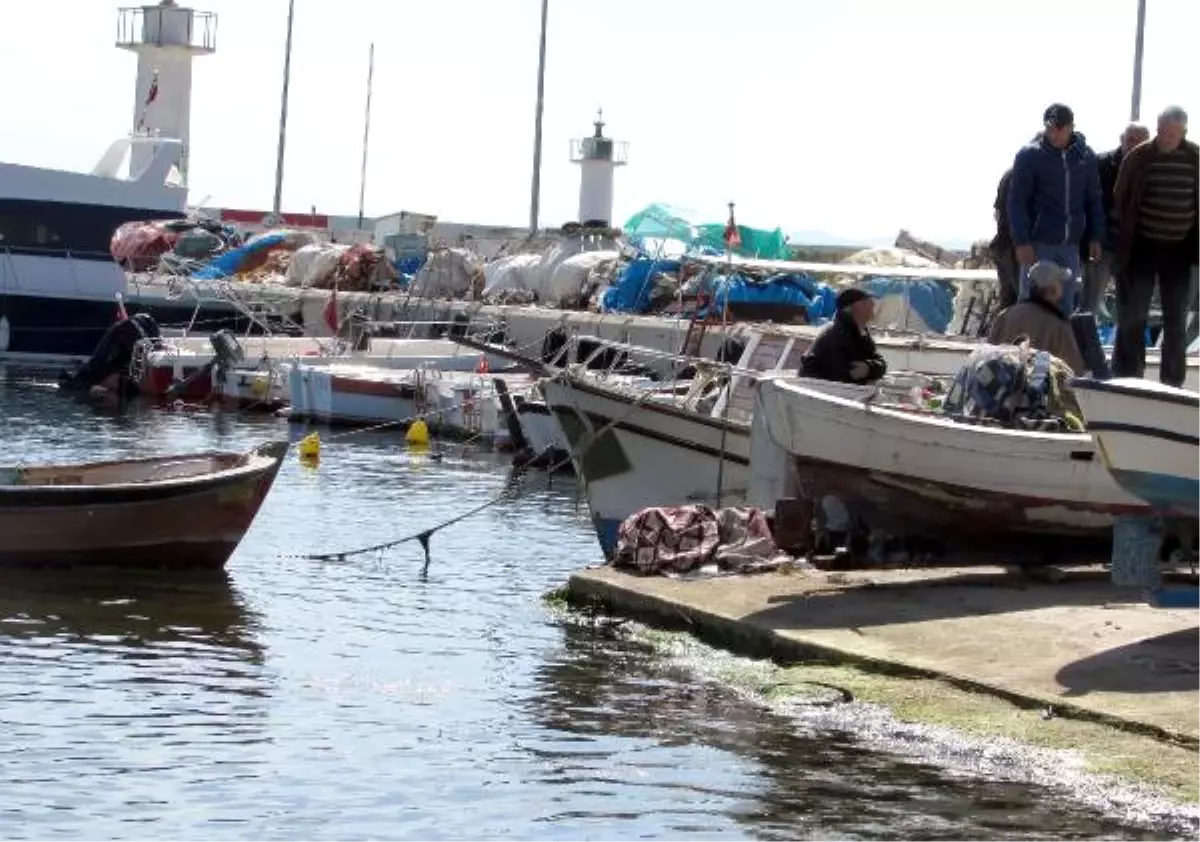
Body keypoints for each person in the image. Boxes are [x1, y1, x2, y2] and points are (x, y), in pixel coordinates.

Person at [1111, 106, 1200, 387]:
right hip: (1142, 247)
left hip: (1180, 250)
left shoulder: (1196, 159)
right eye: (1161, 131)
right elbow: (1121, 198)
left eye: (1171, 134)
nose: (1164, 138)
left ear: (1183, 132)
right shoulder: (1138, 158)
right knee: (1134, 315)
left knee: (1176, 320)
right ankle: (1129, 377)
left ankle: (1172, 383)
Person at [1007, 103, 1105, 316]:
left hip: (1070, 246)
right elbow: (1017, 201)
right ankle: (1028, 349)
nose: (1056, 134)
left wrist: (1096, 236)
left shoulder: (1085, 157)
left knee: (1064, 307)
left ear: (1071, 127)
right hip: (1038, 244)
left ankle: (1059, 349)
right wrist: (1021, 241)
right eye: (1051, 128)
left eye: (1061, 128)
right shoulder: (1028, 156)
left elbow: (1093, 199)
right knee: (1030, 304)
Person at [1079, 122, 1150, 316]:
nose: (1133, 145)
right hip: (1102, 243)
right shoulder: (1102, 163)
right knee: (1089, 302)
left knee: (1131, 306)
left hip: (1133, 246)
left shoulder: (1150, 168)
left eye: (1139, 141)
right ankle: (1080, 344)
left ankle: (1124, 346)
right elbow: (1088, 202)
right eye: (1130, 140)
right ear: (1122, 139)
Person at [987, 260, 1087, 373]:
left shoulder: (1005, 314)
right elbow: (1073, 368)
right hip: (1038, 388)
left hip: (1003, 386)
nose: (1063, 287)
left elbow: (987, 355)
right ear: (1053, 289)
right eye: (1060, 282)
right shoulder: (1057, 323)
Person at [799, 288, 887, 384]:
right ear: (849, 308)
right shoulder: (835, 335)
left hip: (847, 392)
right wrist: (867, 373)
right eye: (865, 302)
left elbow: (880, 362)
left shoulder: (861, 332)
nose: (872, 305)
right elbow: (840, 374)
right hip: (822, 391)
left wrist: (869, 368)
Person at [990, 168, 1019, 308]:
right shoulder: (1029, 174)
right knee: (1023, 302)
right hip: (1016, 247)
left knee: (1008, 301)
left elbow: (997, 214)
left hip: (1002, 245)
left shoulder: (1009, 174)